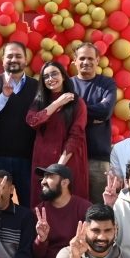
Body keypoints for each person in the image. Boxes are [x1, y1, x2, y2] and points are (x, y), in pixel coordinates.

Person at [27, 60, 88, 206]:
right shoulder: (39, 102)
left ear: (63, 76)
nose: (50, 79)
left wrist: (58, 168)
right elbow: (32, 121)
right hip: (42, 161)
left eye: (54, 74)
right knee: (43, 202)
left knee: (68, 201)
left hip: (67, 160)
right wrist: (57, 103)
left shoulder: (77, 103)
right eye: (46, 76)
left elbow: (76, 136)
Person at [0, 42, 40, 207]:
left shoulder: (37, 86)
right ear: (3, 59)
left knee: (29, 205)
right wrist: (4, 97)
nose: (14, 59)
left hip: (28, 158)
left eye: (18, 56)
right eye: (9, 56)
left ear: (26, 59)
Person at [70, 43, 119, 204]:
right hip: (71, 157)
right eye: (82, 58)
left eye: (91, 58)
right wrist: (92, 117)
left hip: (98, 160)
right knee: (74, 205)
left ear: (97, 60)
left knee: (100, 208)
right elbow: (64, 115)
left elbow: (105, 111)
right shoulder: (67, 85)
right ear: (75, 60)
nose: (86, 62)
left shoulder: (107, 83)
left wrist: (77, 112)